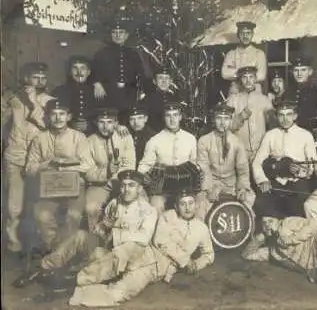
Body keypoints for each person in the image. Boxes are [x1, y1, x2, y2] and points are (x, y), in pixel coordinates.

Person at [11, 170, 157, 303]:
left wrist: (114, 234)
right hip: (106, 245)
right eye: (123, 185)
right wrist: (101, 228)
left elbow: (144, 238)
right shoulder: (115, 203)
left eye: (131, 185)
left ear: (139, 188)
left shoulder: (148, 210)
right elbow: (103, 224)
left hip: (121, 258)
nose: (126, 190)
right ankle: (43, 268)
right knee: (80, 235)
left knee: (101, 255)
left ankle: (70, 281)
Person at [68, 189, 214, 307]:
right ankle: (79, 279)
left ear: (196, 205)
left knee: (120, 292)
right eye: (183, 204)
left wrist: (196, 264)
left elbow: (209, 254)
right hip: (144, 253)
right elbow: (160, 241)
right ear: (176, 206)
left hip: (156, 269)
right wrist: (185, 259)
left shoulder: (202, 229)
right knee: (115, 258)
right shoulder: (168, 216)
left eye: (190, 203)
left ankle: (80, 294)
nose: (187, 208)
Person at [25, 99, 93, 252]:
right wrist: (47, 164)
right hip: (49, 191)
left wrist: (66, 164)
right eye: (54, 114)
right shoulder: (40, 138)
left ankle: (63, 256)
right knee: (42, 215)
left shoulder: (79, 137)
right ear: (48, 117)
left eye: (62, 114)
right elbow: (29, 169)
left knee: (72, 216)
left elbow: (88, 164)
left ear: (68, 117)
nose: (58, 118)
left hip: (75, 189)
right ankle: (54, 251)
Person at [2, 62, 55, 255]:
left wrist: (33, 102)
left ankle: (39, 244)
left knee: (37, 204)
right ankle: (13, 240)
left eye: (43, 78)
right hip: (15, 157)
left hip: (39, 160)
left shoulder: (51, 101)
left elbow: (46, 125)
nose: (40, 81)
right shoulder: (14, 99)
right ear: (26, 79)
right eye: (35, 77)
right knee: (14, 205)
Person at [252, 100, 317, 219]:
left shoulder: (306, 135)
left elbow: (313, 166)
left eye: (289, 114)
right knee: (261, 204)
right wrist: (262, 180)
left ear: (295, 116)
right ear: (276, 116)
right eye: (281, 115)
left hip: (297, 182)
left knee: (299, 209)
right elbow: (257, 162)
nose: (285, 119)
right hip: (276, 181)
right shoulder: (270, 135)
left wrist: (300, 171)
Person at [196, 102, 255, 220]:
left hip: (231, 184)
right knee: (201, 207)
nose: (222, 123)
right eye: (219, 118)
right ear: (213, 120)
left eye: (226, 119)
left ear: (231, 120)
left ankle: (243, 235)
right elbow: (204, 167)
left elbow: (243, 169)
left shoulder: (237, 142)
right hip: (213, 183)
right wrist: (209, 189)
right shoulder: (204, 140)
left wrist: (242, 188)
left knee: (248, 203)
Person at [138, 102, 197, 213]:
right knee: (156, 205)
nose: (172, 119)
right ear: (164, 118)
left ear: (180, 117)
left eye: (175, 115)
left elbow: (195, 164)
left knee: (195, 205)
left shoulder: (191, 139)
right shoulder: (154, 140)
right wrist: (145, 176)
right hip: (162, 191)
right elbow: (144, 166)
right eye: (168, 115)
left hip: (185, 189)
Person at [85, 108, 136, 231]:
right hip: (100, 185)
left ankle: (127, 239)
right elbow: (87, 172)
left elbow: (130, 164)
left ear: (116, 123)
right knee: (91, 207)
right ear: (96, 123)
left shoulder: (125, 137)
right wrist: (107, 171)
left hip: (123, 183)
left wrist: (123, 183)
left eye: (109, 122)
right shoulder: (89, 141)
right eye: (101, 122)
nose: (105, 126)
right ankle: (94, 239)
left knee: (138, 204)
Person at [91, 16, 144, 124]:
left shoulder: (133, 54)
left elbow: (140, 74)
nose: (118, 35)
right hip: (109, 95)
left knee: (127, 123)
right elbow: (92, 71)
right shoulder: (102, 53)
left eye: (121, 32)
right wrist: (96, 83)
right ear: (111, 35)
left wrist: (141, 92)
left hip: (128, 95)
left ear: (126, 36)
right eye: (114, 32)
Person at [227, 66, 275, 162]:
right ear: (241, 79)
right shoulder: (232, 100)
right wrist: (240, 117)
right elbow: (227, 127)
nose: (248, 81)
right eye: (245, 77)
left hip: (260, 150)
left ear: (256, 79)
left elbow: (273, 127)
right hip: (240, 150)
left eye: (251, 77)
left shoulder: (264, 99)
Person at [282, 56, 317, 150]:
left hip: (311, 139)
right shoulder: (287, 93)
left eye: (303, 70)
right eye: (296, 70)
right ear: (292, 72)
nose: (299, 74)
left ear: (310, 72)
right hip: (290, 138)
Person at [52, 55, 100, 135]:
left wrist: (90, 126)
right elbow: (53, 115)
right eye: (75, 68)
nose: (79, 72)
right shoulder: (59, 91)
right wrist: (71, 125)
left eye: (82, 68)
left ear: (88, 72)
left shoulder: (97, 91)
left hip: (93, 135)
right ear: (70, 72)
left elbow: (103, 116)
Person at [221, 21, 267, 95]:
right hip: (235, 92)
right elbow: (224, 73)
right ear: (238, 35)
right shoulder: (231, 54)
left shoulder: (259, 54)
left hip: (254, 93)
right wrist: (250, 73)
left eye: (248, 33)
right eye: (242, 33)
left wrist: (237, 71)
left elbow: (261, 75)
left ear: (252, 34)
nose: (245, 36)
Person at [141, 66, 184, 132]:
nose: (164, 81)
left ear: (170, 81)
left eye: (166, 78)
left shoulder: (175, 98)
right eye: (160, 78)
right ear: (154, 81)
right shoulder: (147, 99)